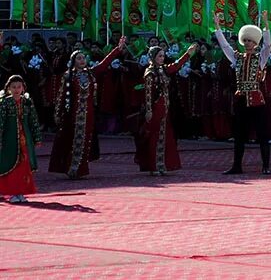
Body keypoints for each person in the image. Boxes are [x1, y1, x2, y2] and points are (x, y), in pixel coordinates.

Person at [49, 36, 125, 179]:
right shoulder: (69, 76)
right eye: (79, 59)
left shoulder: (90, 73)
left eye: (84, 58)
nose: (82, 61)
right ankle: (72, 167)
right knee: (72, 140)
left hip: (88, 113)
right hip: (72, 114)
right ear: (73, 61)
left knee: (86, 140)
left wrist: (117, 50)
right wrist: (58, 114)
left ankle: (80, 168)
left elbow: (104, 64)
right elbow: (61, 97)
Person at [215, 12, 271, 175]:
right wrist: (218, 28)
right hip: (241, 99)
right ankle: (237, 165)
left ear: (255, 42)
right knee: (239, 134)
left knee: (262, 134)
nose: (247, 43)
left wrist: (266, 25)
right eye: (245, 40)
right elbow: (225, 46)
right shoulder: (237, 58)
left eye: (250, 40)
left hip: (256, 99)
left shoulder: (260, 58)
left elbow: (267, 46)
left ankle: (266, 166)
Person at [136, 43, 197, 175]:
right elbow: (147, 93)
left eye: (163, 56)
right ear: (152, 57)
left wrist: (187, 54)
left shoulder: (163, 70)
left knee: (164, 136)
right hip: (155, 107)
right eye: (159, 56)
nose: (162, 58)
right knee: (154, 136)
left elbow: (176, 66)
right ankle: (154, 166)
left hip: (165, 107)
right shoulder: (150, 73)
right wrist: (148, 110)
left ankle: (162, 164)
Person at [0, 75, 42, 203]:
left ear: (23, 88)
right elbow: (0, 122)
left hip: (25, 139)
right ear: (8, 89)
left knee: (23, 165)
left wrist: (37, 138)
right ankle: (12, 192)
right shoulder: (5, 103)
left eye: (19, 87)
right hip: (10, 140)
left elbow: (33, 121)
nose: (17, 89)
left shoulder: (27, 102)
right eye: (13, 87)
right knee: (11, 163)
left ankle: (20, 192)